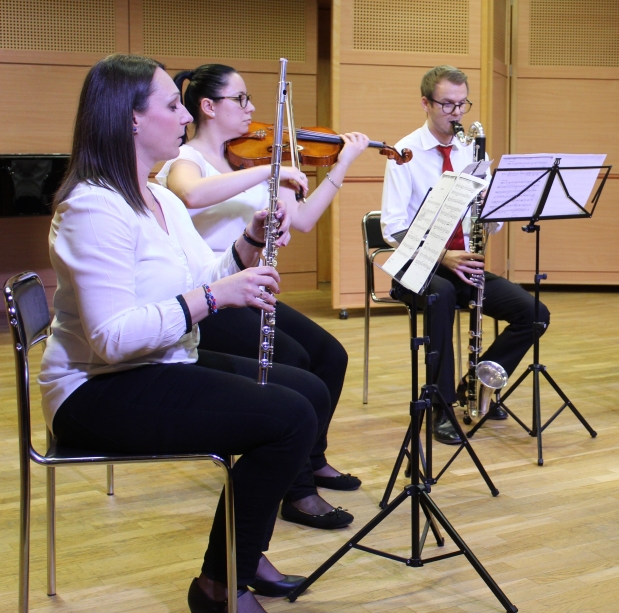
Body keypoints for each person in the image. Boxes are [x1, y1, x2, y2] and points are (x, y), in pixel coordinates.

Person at [39, 54, 329, 613]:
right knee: (289, 416)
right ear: (130, 118)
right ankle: (221, 583)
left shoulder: (159, 198)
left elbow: (204, 274)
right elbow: (112, 338)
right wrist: (217, 297)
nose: (184, 116)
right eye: (172, 105)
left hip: (156, 362)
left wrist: (249, 242)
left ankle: (240, 556)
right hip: (95, 391)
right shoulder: (93, 207)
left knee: (309, 388)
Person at [157, 64, 373, 529]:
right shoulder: (186, 161)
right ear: (208, 106)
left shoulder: (248, 164)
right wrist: (271, 172)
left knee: (330, 355)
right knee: (293, 361)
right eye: (241, 99)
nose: (252, 108)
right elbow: (191, 195)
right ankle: (296, 491)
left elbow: (304, 220)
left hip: (249, 288)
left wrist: (341, 165)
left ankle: (311, 457)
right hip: (210, 297)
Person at [380, 65, 548, 444]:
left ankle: (477, 383)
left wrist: (492, 209)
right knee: (439, 296)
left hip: (463, 263)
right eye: (447, 105)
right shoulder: (404, 154)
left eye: (462, 104)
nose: (456, 113)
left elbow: (490, 227)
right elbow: (392, 228)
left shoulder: (473, 152)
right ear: (425, 103)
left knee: (534, 313)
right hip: (419, 265)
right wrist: (443, 256)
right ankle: (440, 406)